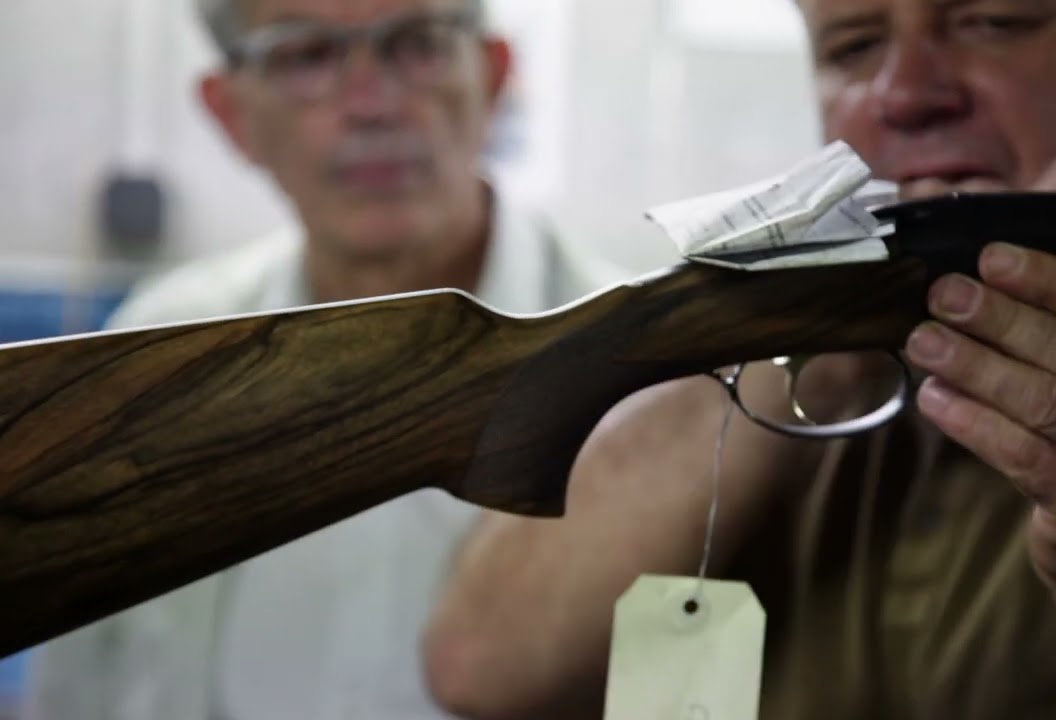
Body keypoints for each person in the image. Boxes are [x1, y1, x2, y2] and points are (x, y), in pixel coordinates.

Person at [423, 1, 1056, 718]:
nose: (904, 94)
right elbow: (473, 663)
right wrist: (818, 337)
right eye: (854, 44)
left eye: (992, 20)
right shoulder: (788, 383)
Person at [22, 0, 622, 719]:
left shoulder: (647, 381)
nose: (372, 104)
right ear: (231, 114)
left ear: (493, 76)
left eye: (416, 44)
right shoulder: (150, 362)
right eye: (304, 55)